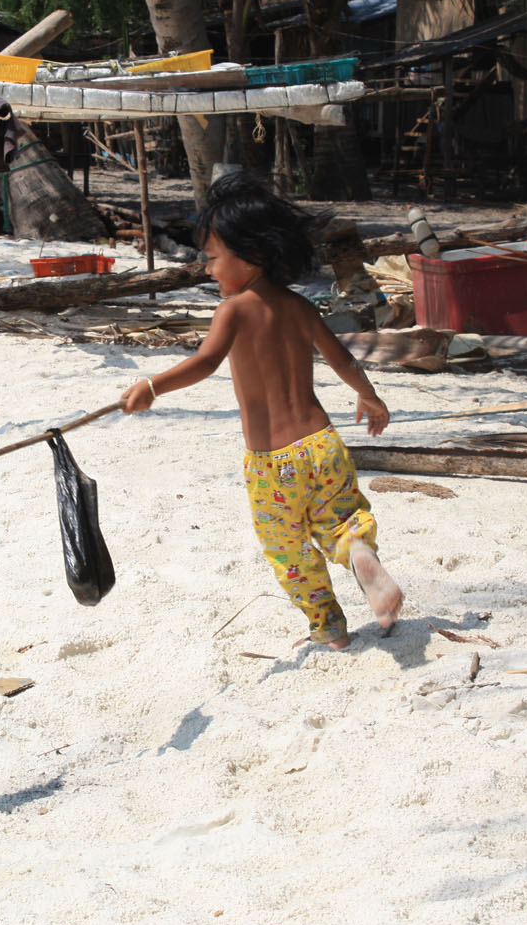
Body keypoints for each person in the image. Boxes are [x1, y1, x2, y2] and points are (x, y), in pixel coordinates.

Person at [120, 173, 403, 649]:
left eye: (212, 258)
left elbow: (205, 362)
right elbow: (342, 360)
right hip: (323, 445)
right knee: (340, 521)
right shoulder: (300, 306)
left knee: (288, 551)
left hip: (274, 462)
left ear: (250, 255)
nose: (208, 270)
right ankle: (356, 551)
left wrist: (153, 385)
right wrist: (370, 397)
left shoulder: (233, 310)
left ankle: (328, 624)